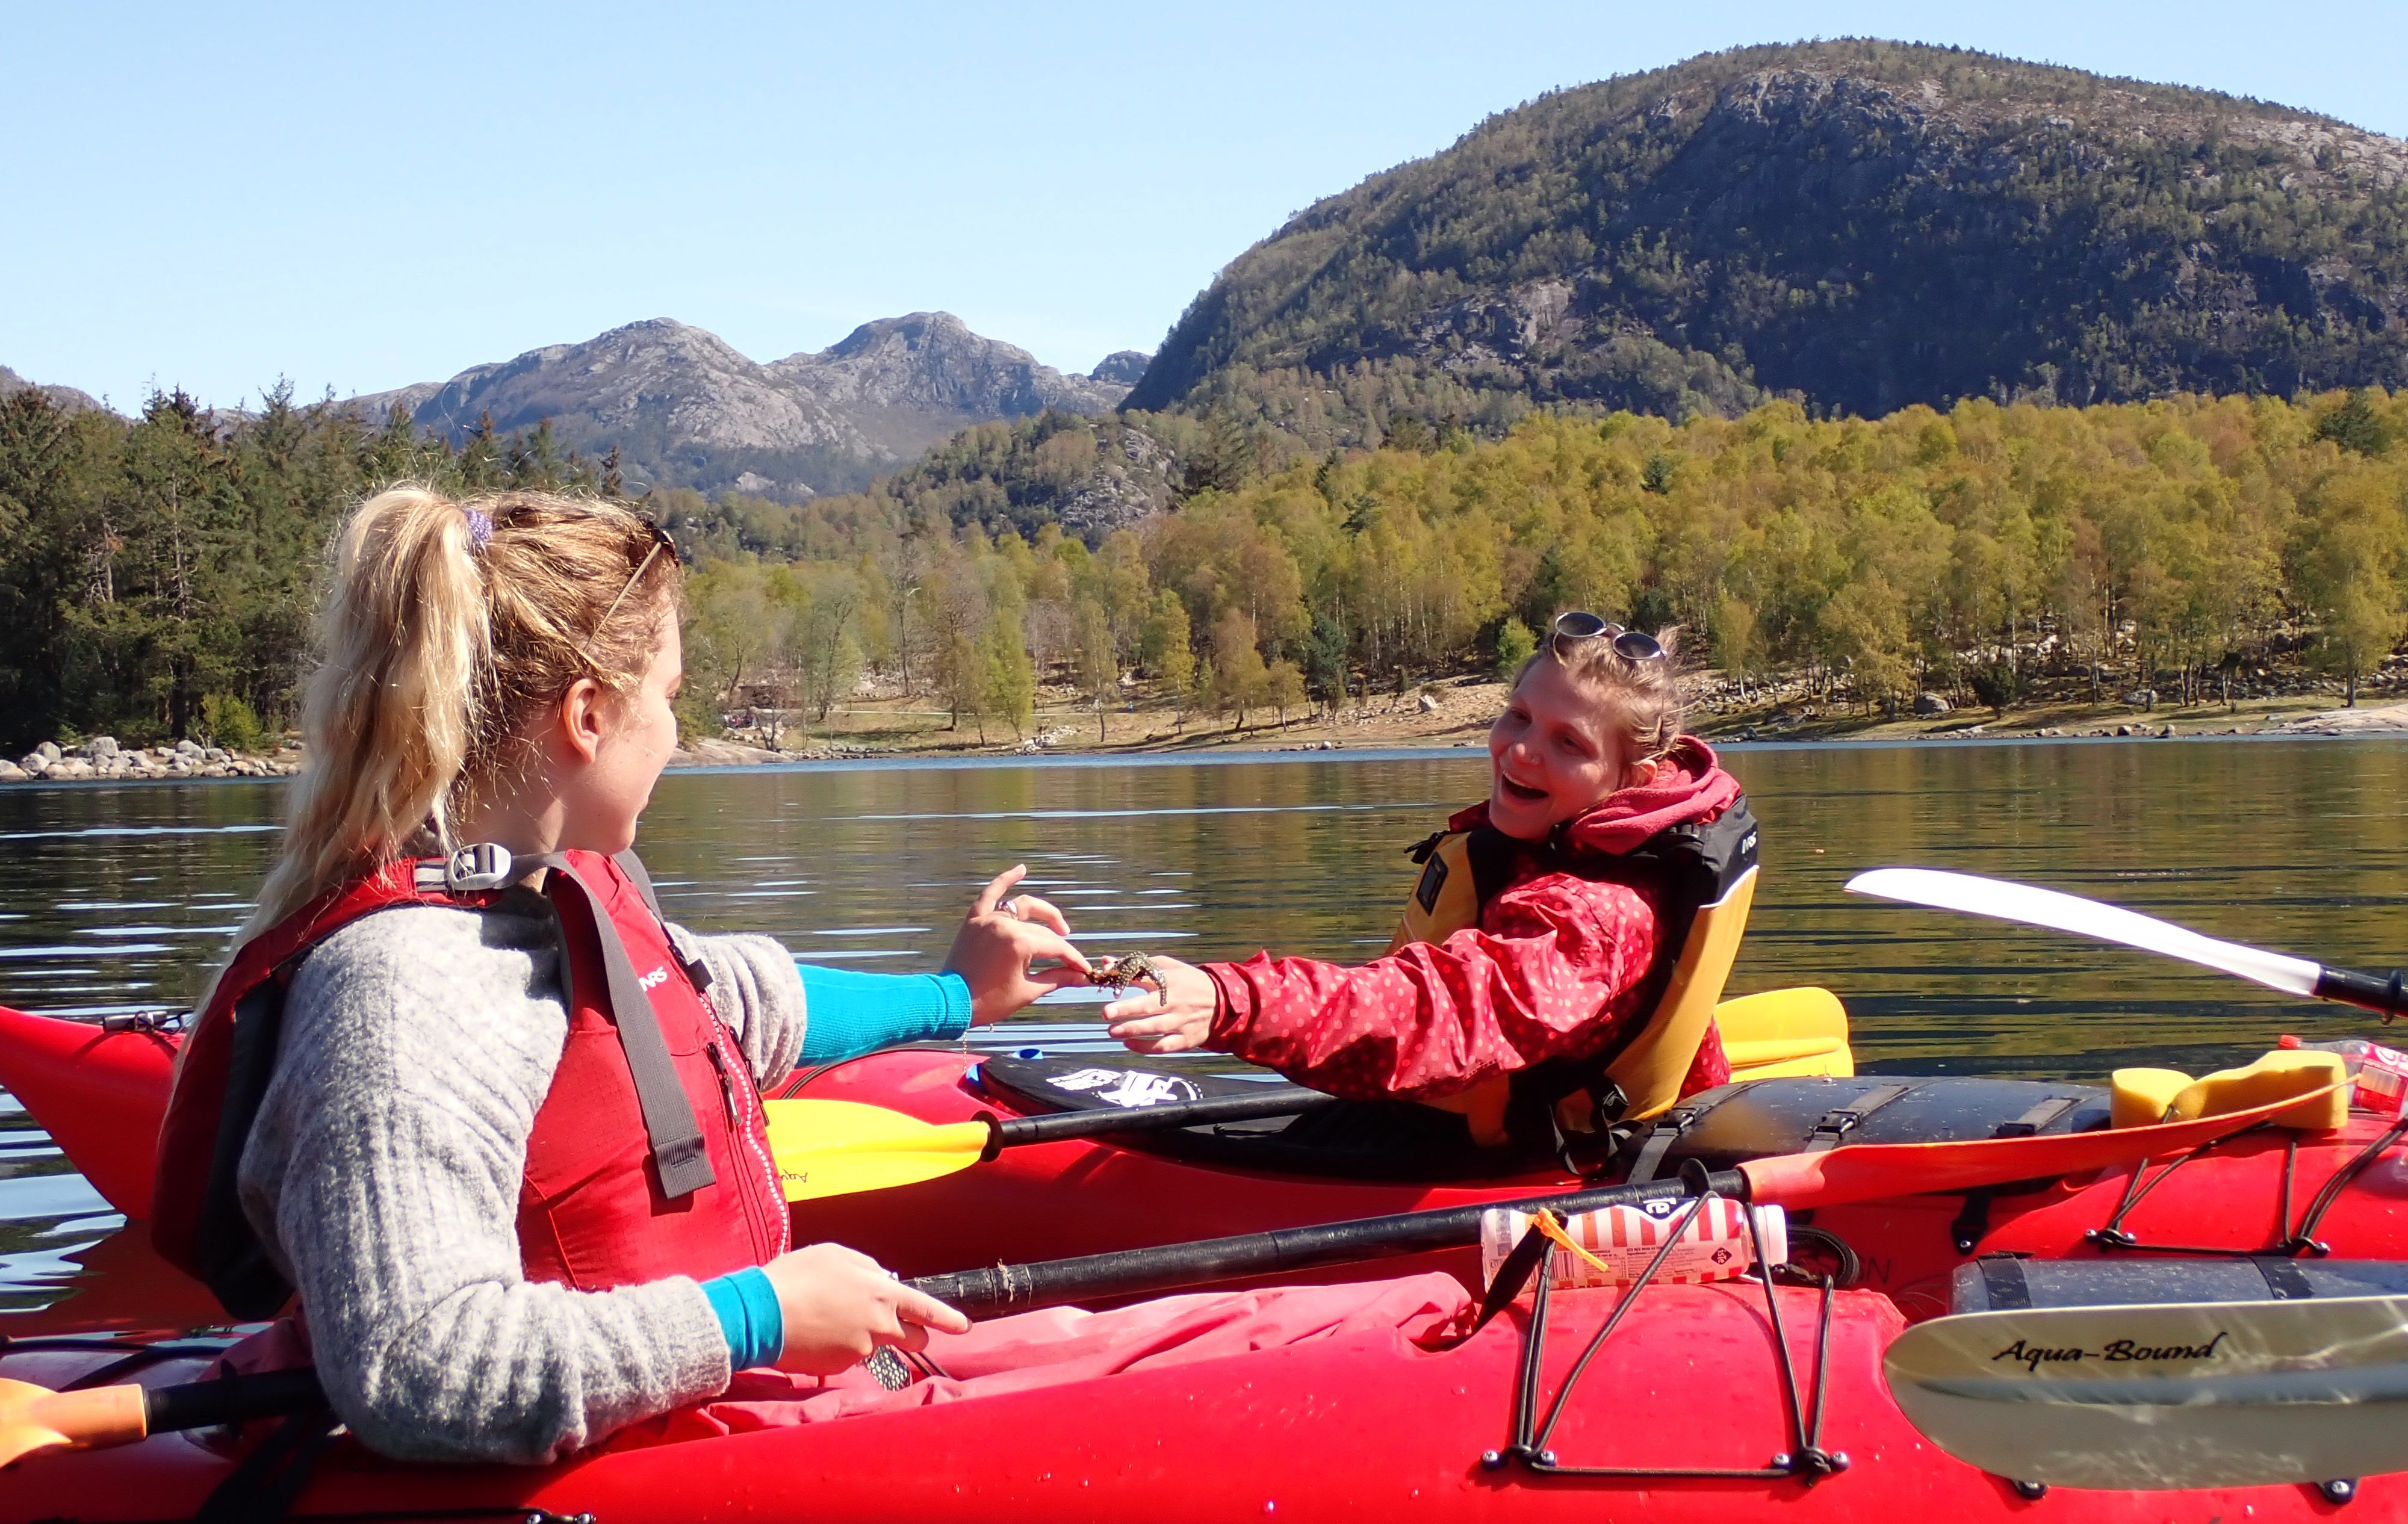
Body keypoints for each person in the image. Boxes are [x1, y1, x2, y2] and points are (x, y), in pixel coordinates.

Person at [150, 487, 1093, 1463]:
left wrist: (956, 997)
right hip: (648, 1445)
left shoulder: (565, 896)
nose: (678, 736)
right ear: (590, 714)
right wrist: (755, 1317)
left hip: (718, 1414)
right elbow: (415, 1365)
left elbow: (729, 1003)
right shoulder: (401, 990)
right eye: (672, 697)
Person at [1103, 613, 1752, 1155]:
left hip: (1498, 1161)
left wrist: (1229, 1002)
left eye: (1568, 744)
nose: (1520, 751)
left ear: (1636, 778)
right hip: (1463, 1122)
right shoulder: (1595, 845)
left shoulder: (1596, 917)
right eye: (1519, 716)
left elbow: (1437, 1012)